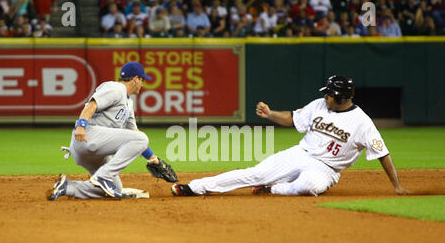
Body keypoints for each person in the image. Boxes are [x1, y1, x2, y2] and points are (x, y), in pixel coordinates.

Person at [171, 75, 408, 197]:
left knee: (307, 186)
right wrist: (271, 113)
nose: (326, 97)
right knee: (255, 173)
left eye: (330, 95)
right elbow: (293, 119)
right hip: (300, 154)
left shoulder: (363, 123)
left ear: (343, 98)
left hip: (326, 169)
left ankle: (272, 189)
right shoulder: (318, 105)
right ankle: (195, 187)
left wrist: (397, 186)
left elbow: (383, 154)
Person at [47, 62, 177, 201]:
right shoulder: (115, 88)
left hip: (93, 150)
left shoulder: (129, 103)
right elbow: (92, 104)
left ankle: (68, 187)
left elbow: (134, 134)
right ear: (135, 79)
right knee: (142, 138)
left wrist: (154, 160)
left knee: (115, 189)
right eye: (142, 80)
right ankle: (103, 176)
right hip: (88, 136)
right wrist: (81, 126)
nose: (143, 84)